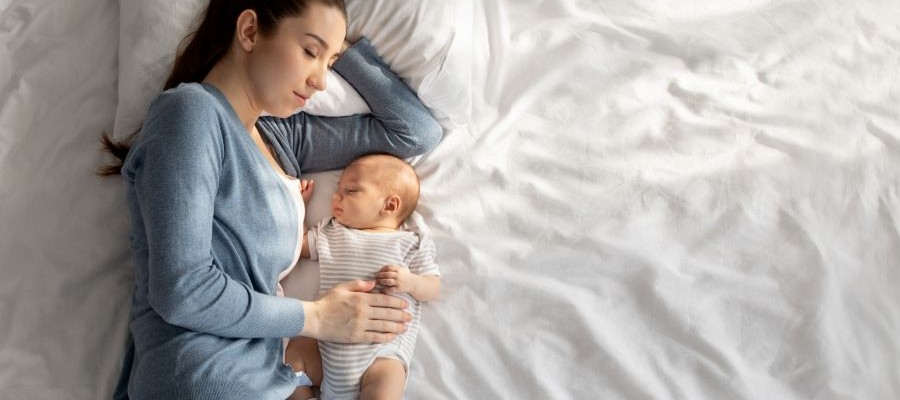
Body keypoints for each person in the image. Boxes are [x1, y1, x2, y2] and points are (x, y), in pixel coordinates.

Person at [97, 0, 443, 398]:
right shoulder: (191, 113)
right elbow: (182, 290)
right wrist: (315, 317)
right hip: (202, 379)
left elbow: (414, 133)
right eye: (310, 52)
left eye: (328, 64)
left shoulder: (283, 139)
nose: (321, 82)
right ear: (248, 31)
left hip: (270, 378)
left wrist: (337, 47)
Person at [285, 154, 441, 400]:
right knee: (293, 355)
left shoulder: (410, 243)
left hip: (380, 354)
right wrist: (300, 208)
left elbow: (433, 286)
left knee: (387, 385)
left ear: (389, 206)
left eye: (351, 191)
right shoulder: (331, 231)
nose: (337, 197)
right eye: (338, 190)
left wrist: (412, 282)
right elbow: (298, 246)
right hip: (326, 348)